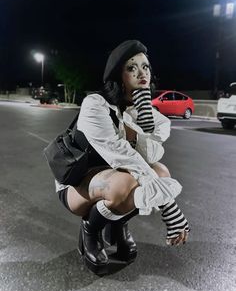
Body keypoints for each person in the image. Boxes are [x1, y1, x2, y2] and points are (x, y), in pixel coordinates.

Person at [55, 40, 190, 275]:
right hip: (77, 182)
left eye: (145, 67)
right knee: (126, 184)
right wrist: (169, 207)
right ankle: (91, 229)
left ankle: (117, 224)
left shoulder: (147, 112)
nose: (142, 73)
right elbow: (122, 155)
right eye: (131, 67)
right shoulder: (95, 104)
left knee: (161, 172)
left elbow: (151, 155)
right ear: (118, 74)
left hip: (115, 177)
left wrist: (143, 119)